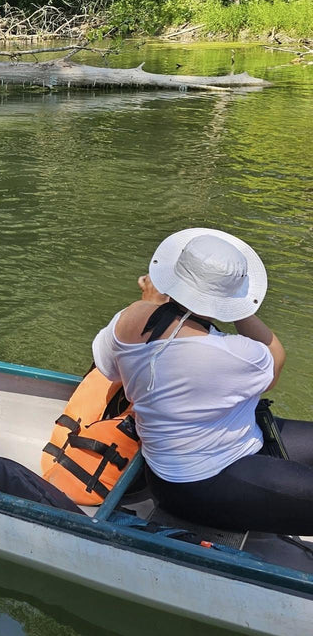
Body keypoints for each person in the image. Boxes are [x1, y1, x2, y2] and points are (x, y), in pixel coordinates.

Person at [91, 228, 313, 534]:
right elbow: (276, 359)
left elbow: (108, 368)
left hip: (166, 474)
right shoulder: (237, 353)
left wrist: (151, 302)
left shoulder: (128, 319)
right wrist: (241, 309)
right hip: (204, 484)